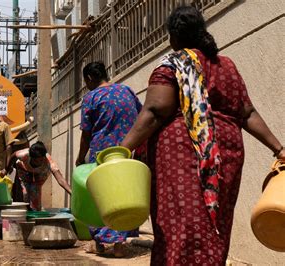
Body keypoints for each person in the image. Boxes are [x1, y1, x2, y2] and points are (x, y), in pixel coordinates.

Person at [120, 6, 285, 264]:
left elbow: (154, 112)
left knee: (180, 224)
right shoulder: (227, 66)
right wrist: (279, 148)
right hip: (226, 158)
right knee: (213, 223)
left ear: (173, 37)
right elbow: (247, 112)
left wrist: (122, 150)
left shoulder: (172, 65)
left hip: (183, 156)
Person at [75, 61, 143, 257]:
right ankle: (120, 245)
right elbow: (140, 115)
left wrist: (80, 158)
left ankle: (100, 244)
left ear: (89, 79)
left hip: (103, 153)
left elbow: (86, 133)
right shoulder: (126, 91)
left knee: (100, 196)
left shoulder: (92, 97)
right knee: (123, 195)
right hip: (127, 151)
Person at [1, 141, 72, 211]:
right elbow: (13, 155)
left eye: (41, 160)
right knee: (25, 194)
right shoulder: (23, 154)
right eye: (36, 161)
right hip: (24, 170)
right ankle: (27, 212)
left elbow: (61, 180)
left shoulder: (49, 163)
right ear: (30, 157)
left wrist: (72, 193)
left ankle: (36, 212)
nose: (38, 163)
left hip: (40, 173)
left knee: (35, 194)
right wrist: (6, 169)